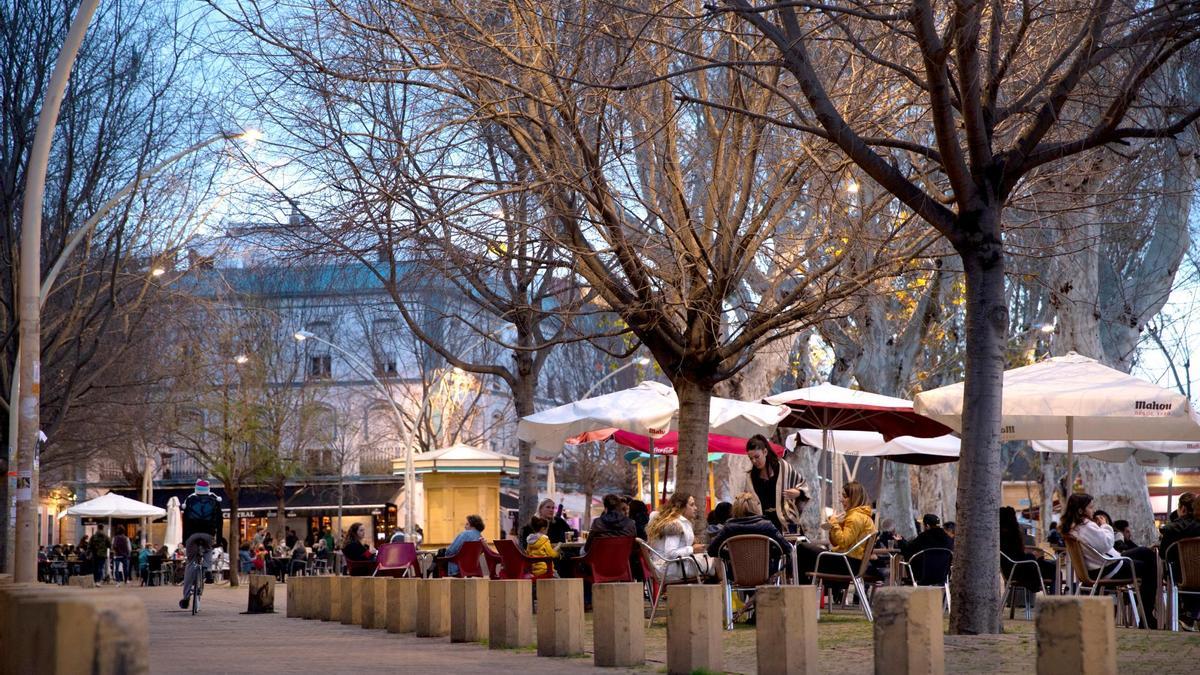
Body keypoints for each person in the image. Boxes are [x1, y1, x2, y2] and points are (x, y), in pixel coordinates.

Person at [1062, 493, 1159, 628]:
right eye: (1090, 507)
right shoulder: (1086, 526)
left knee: (1146, 553)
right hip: (1107, 568)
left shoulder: (1074, 527)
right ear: (1080, 510)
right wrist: (1105, 526)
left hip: (1103, 565)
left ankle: (1146, 614)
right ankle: (1146, 615)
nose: (1094, 510)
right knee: (1149, 567)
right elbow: (1106, 544)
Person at [794, 481, 878, 584]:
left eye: (845, 496)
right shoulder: (862, 516)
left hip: (848, 564)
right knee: (806, 556)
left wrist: (834, 523)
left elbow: (843, 541)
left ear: (854, 498)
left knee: (802, 549)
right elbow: (836, 542)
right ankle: (820, 592)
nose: (841, 500)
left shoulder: (855, 517)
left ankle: (804, 592)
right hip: (853, 563)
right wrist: (836, 525)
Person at [731, 434, 809, 534]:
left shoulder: (784, 468)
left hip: (786, 525)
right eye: (751, 458)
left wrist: (798, 492)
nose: (754, 461)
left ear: (765, 452)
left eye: (757, 457)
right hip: (762, 528)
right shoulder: (750, 478)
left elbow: (804, 487)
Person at [706, 492, 792, 572]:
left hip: (736, 573)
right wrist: (766, 553)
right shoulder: (767, 526)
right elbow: (787, 548)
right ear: (755, 508)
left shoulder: (728, 528)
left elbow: (711, 550)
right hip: (766, 571)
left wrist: (732, 555)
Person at [646, 492, 712, 581]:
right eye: (692, 505)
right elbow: (670, 553)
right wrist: (692, 549)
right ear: (681, 507)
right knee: (717, 562)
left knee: (713, 563)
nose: (695, 508)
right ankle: (722, 594)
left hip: (668, 567)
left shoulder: (674, 521)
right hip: (671, 569)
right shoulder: (675, 524)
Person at [1159, 492, 1200, 630]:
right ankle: (1191, 615)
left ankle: (1185, 615)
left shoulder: (1173, 528)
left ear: (1182, 508)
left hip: (1180, 575)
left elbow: (1163, 554)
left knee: (1172, 568)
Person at [179, 479, 222, 608]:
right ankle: (208, 570)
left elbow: (185, 522)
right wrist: (218, 539)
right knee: (208, 549)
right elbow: (219, 521)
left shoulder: (190, 499)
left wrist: (184, 540)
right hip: (208, 534)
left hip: (192, 535)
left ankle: (186, 598)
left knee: (190, 562)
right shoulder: (214, 499)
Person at [999, 506, 1054, 592]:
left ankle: (1054, 599)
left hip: (1017, 569)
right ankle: (1054, 600)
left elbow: (1016, 556)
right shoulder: (1010, 537)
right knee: (1054, 568)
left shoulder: (1001, 537)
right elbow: (1017, 557)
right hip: (1021, 572)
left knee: (1052, 566)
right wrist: (1032, 556)